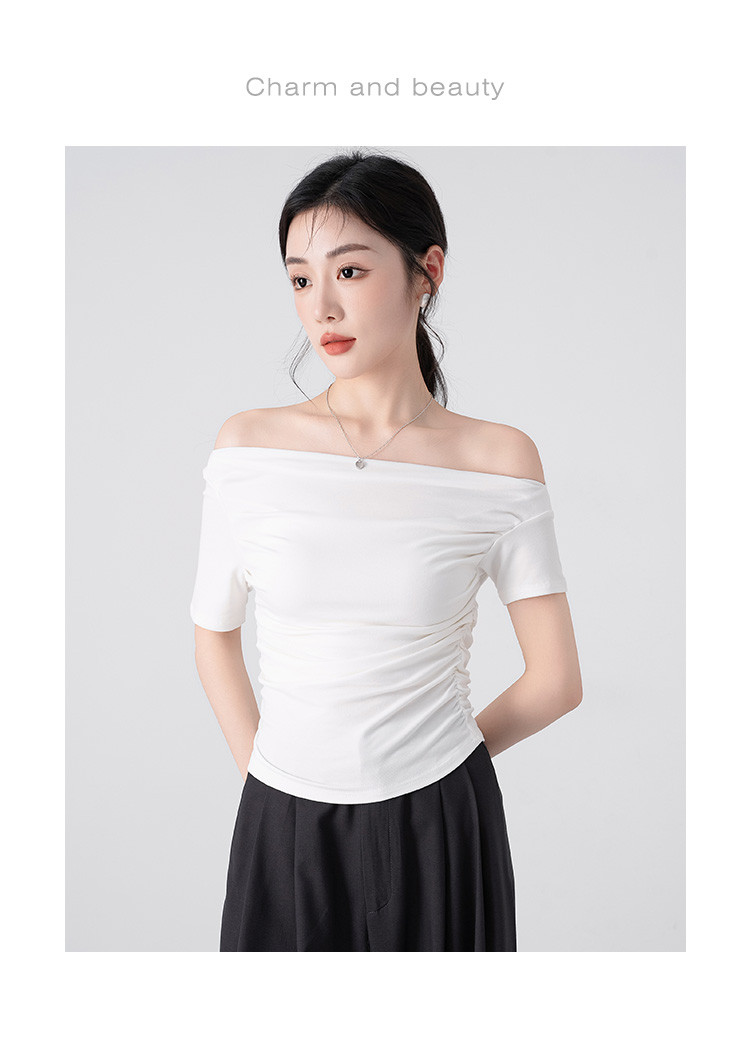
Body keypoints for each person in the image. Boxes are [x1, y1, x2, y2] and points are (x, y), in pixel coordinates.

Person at [190, 150, 583, 951]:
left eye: (350, 271)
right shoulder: (248, 448)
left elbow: (557, 681)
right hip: (281, 814)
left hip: (441, 820)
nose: (323, 307)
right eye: (300, 279)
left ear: (426, 270)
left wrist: (440, 764)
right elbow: (212, 633)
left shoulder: (498, 460)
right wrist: (269, 775)